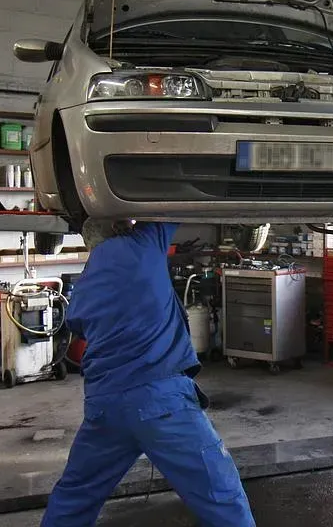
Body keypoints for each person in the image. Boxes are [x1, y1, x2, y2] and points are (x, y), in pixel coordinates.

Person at [41, 220, 255, 527]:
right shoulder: (144, 244)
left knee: (76, 494)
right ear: (122, 228)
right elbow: (165, 204)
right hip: (160, 401)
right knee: (219, 492)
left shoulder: (87, 278)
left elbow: (77, 325)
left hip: (105, 405)